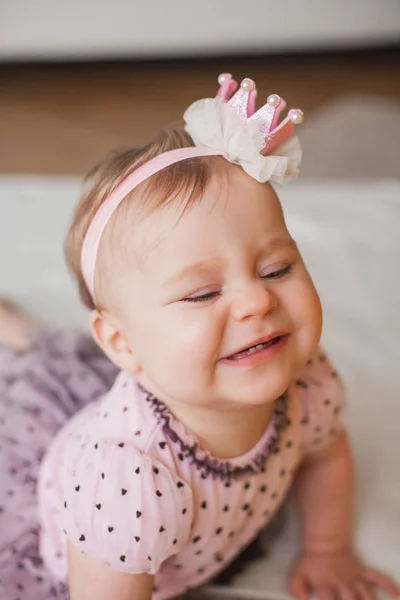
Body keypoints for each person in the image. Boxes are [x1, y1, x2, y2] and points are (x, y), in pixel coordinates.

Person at [0, 74, 398, 600]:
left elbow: (325, 453)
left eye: (277, 269)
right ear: (123, 344)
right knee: (39, 374)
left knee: (74, 367)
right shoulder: (128, 479)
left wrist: (327, 550)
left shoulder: (304, 375)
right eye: (202, 294)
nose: (258, 302)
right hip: (79, 535)